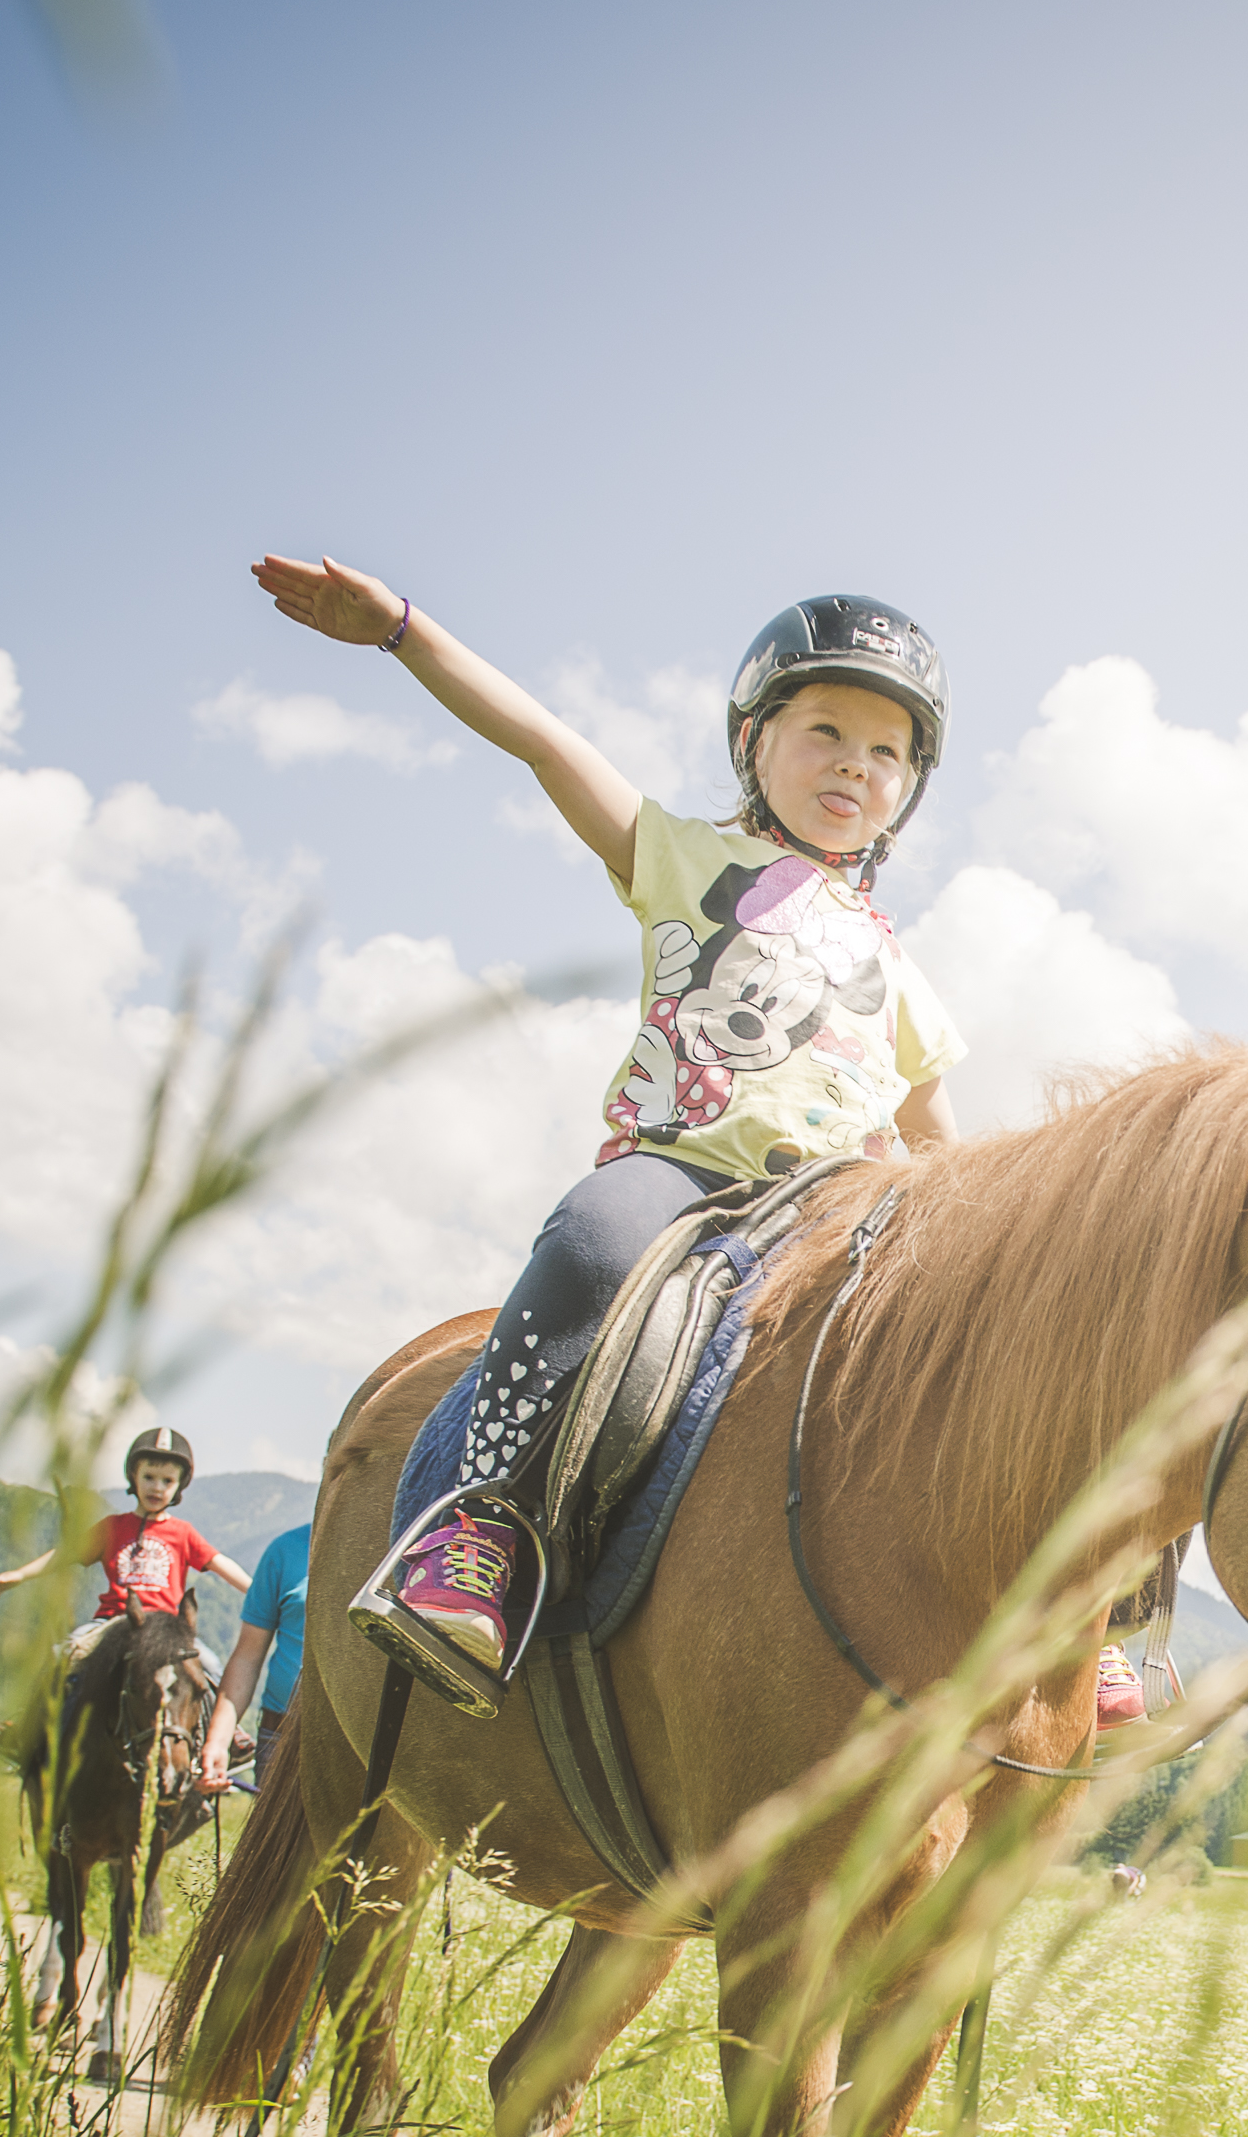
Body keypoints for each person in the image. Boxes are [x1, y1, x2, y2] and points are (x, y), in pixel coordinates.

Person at [244, 558, 968, 1708]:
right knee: (588, 1242)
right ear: (753, 741)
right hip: (682, 1178)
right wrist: (402, 633)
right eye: (826, 729)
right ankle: (480, 1530)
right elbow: (542, 740)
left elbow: (940, 1145)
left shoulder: (905, 971)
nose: (855, 764)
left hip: (831, 1216)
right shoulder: (688, 856)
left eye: (887, 752)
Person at [0, 1425, 247, 1663]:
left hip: (166, 1628)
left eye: (167, 1481)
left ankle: (216, 1717)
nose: (157, 1487)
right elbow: (65, 1554)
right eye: (149, 1477)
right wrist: (20, 1575)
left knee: (211, 1667)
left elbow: (220, 1563)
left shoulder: (183, 1533)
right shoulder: (112, 1527)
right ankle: (39, 1716)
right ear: (134, 1476)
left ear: (179, 1485)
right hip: (112, 1621)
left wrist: (258, 1590)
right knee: (60, 1658)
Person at [198, 1514, 312, 1795]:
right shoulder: (285, 1550)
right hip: (280, 1735)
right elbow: (247, 1656)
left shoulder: (400, 1550)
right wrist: (218, 1742)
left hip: (366, 1742)